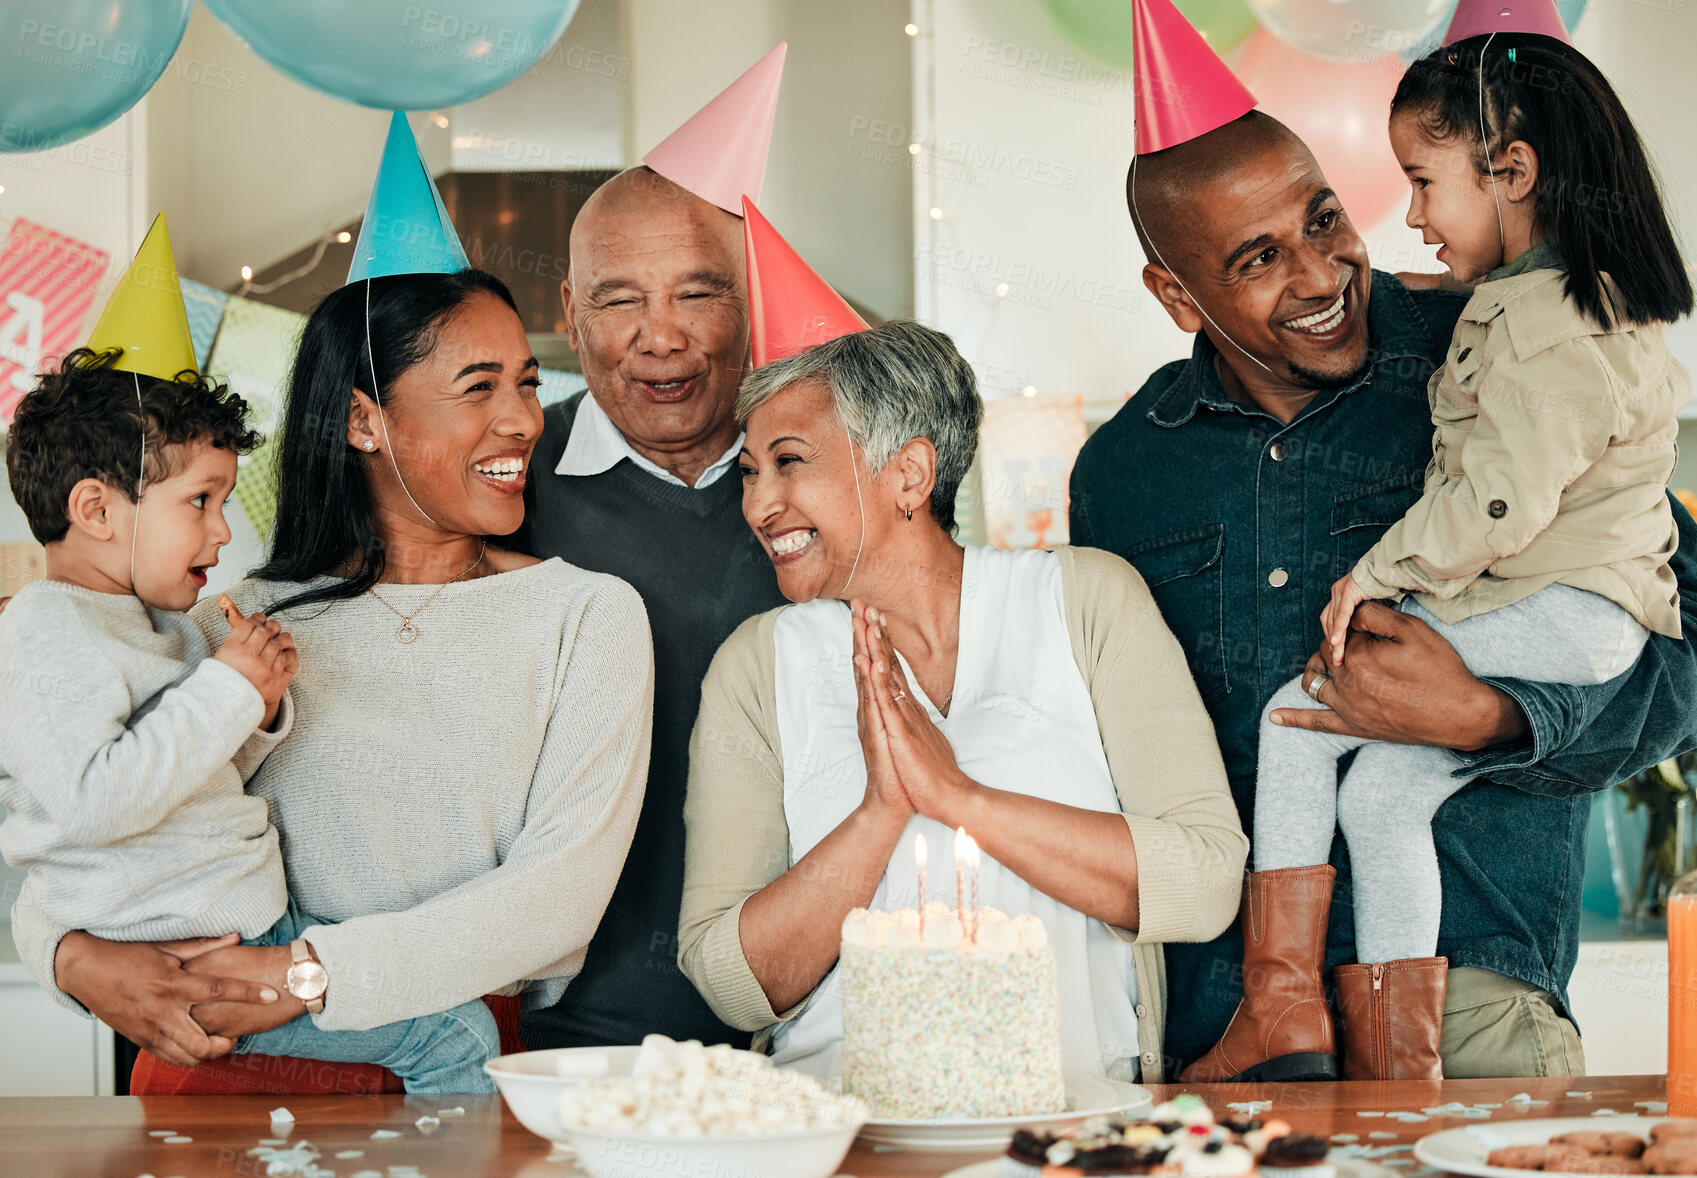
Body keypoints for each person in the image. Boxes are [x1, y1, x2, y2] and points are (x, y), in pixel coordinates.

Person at [1072, 92, 1697, 1078]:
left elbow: (1674, 639)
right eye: (1258, 257)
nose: (1319, 273)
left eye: (1321, 219)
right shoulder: (1122, 473)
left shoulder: (1500, 346)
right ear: (1175, 294)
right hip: (1225, 1021)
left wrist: (1492, 713)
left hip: (1471, 1000)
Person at [9, 267, 653, 1086]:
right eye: (479, 386)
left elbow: (560, 895)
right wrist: (70, 959)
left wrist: (309, 975)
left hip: (445, 1058)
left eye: (527, 384)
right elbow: (91, 835)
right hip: (220, 1064)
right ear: (362, 420)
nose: (524, 418)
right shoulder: (233, 628)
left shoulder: (586, 617)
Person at [678, 318, 1247, 1084]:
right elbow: (730, 981)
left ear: (909, 475)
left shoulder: (1084, 600)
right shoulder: (756, 664)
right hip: (843, 1132)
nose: (758, 504)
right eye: (749, 472)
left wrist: (956, 797)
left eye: (789, 463)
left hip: (1076, 1127)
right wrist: (881, 812)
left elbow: (1204, 879)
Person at [0, 342, 500, 1092]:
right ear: (97, 510)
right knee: (459, 1037)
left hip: (234, 929)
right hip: (200, 951)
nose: (225, 531)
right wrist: (227, 690)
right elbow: (96, 803)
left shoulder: (143, 622)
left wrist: (256, 709)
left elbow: (175, 786)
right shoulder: (45, 631)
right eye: (200, 501)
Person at [517, 168, 787, 1047]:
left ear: (749, 299)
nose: (660, 337)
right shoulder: (504, 484)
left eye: (698, 293)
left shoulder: (832, 469)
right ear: (569, 310)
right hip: (575, 1028)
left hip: (820, 1014)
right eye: (619, 300)